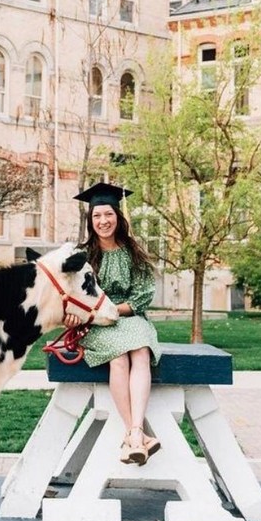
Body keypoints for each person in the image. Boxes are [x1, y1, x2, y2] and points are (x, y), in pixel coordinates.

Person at [66, 182, 162, 466]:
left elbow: (142, 295)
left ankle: (133, 435)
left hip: (129, 317)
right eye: (97, 216)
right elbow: (70, 295)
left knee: (141, 351)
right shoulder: (81, 256)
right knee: (119, 357)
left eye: (108, 215)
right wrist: (77, 315)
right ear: (90, 220)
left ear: (118, 218)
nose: (103, 221)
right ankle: (137, 435)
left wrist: (110, 310)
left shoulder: (133, 252)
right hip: (95, 325)